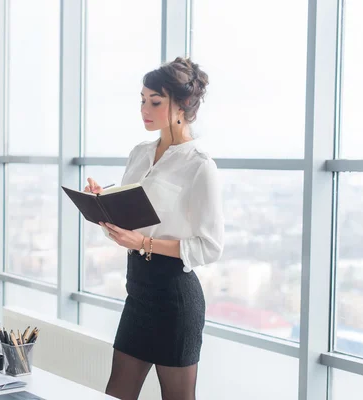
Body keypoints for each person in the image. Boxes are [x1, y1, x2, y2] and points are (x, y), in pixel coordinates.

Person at [84, 57, 225, 400]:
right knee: (116, 392)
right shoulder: (140, 153)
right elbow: (128, 228)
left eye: (155, 101)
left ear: (183, 104)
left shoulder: (199, 166)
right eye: (142, 100)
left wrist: (145, 242)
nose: (145, 109)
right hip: (140, 293)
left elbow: (210, 246)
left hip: (175, 297)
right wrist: (103, 205)